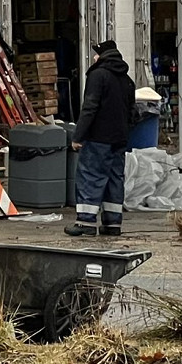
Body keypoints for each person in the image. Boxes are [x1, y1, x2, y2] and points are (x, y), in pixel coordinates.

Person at [67, 40, 136, 237]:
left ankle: (85, 223)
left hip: (98, 138)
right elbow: (132, 111)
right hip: (119, 139)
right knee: (115, 179)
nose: (94, 57)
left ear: (103, 56)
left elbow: (90, 107)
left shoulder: (98, 76)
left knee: (91, 177)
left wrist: (78, 136)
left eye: (96, 54)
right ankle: (113, 224)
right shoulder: (126, 80)